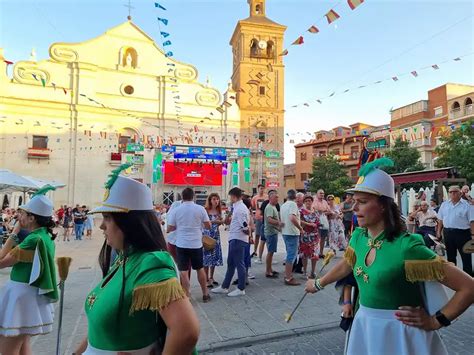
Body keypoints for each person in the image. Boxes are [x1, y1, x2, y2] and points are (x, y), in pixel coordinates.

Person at [305, 158, 474, 355]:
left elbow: (469, 287)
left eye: (363, 202)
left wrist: (436, 321)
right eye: (354, 201)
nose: (354, 208)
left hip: (402, 336)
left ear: (384, 205)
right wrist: (319, 283)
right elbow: (348, 263)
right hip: (364, 327)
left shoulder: (407, 246)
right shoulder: (359, 237)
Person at [73, 165, 199, 354]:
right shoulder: (123, 259)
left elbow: (186, 332)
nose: (101, 227)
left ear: (129, 223)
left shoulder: (151, 264)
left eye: (107, 218)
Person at [0, 186, 59, 355]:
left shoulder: (33, 240)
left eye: (23, 214)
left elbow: (1, 262)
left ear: (32, 218)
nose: (19, 216)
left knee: (7, 350)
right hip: (27, 296)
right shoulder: (45, 237)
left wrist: (14, 232)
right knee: (23, 347)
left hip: (21, 297)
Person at [167, 187, 211, 302]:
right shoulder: (200, 209)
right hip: (196, 244)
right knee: (200, 269)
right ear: (194, 197)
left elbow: (170, 228)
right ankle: (205, 293)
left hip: (181, 244)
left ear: (182, 197)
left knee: (184, 271)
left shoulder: (177, 210)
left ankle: (186, 296)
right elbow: (208, 226)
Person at [212, 187, 250, 297]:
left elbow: (244, 225)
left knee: (239, 264)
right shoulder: (238, 207)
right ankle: (225, 286)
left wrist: (245, 231)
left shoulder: (240, 209)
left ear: (233, 196)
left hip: (238, 238)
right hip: (235, 238)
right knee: (231, 263)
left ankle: (241, 288)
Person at [437, 185, 474, 276]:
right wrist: (438, 232)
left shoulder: (468, 205)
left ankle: (468, 279)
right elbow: (440, 220)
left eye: (455, 192)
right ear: (449, 194)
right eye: (450, 192)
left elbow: (472, 221)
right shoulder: (444, 204)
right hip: (448, 233)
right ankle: (454, 277)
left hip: (463, 234)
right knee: (451, 257)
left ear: (460, 193)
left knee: (466, 257)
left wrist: (473, 235)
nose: (453, 193)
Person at [280, 189, 304, 286]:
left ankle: (288, 275)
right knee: (291, 255)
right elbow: (292, 217)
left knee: (289, 254)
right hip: (292, 233)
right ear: (295, 197)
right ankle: (288, 277)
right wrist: (300, 228)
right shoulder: (293, 205)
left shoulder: (283, 205)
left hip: (285, 232)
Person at [203, 193, 224, 288]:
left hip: (216, 236)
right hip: (207, 236)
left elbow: (220, 222)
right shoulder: (205, 210)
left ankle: (212, 277)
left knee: (214, 257)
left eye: (217, 199)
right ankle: (206, 278)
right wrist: (216, 221)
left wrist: (219, 222)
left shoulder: (219, 211)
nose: (216, 201)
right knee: (207, 258)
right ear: (210, 200)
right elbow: (204, 223)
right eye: (214, 199)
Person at [299, 195, 320, 278]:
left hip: (315, 235)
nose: (308, 202)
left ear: (312, 202)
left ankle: (313, 271)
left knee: (314, 254)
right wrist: (309, 224)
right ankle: (304, 272)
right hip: (305, 235)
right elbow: (299, 221)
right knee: (305, 254)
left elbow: (318, 221)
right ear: (304, 202)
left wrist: (316, 224)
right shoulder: (301, 211)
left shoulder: (315, 211)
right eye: (306, 201)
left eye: (310, 201)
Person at [263, 190, 283, 278]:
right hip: (270, 233)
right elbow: (269, 220)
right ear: (270, 198)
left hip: (273, 232)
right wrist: (278, 223)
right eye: (276, 197)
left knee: (271, 252)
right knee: (270, 252)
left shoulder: (273, 206)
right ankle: (268, 271)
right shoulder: (270, 207)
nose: (277, 199)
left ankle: (270, 269)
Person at [313, 189, 330, 258]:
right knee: (317, 238)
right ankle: (315, 253)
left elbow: (328, 211)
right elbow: (315, 210)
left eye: (323, 193)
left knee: (323, 238)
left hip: (324, 222)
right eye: (320, 193)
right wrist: (323, 211)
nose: (322, 194)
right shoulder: (314, 201)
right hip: (317, 221)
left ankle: (321, 253)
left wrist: (322, 211)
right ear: (317, 194)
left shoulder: (325, 202)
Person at [251, 184, 267, 258]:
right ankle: (255, 251)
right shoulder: (255, 198)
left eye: (263, 188)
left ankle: (266, 251)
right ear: (258, 189)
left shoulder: (266, 197)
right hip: (258, 218)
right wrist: (253, 216)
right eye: (260, 188)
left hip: (265, 218)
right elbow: (253, 207)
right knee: (257, 235)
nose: (262, 190)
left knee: (265, 235)